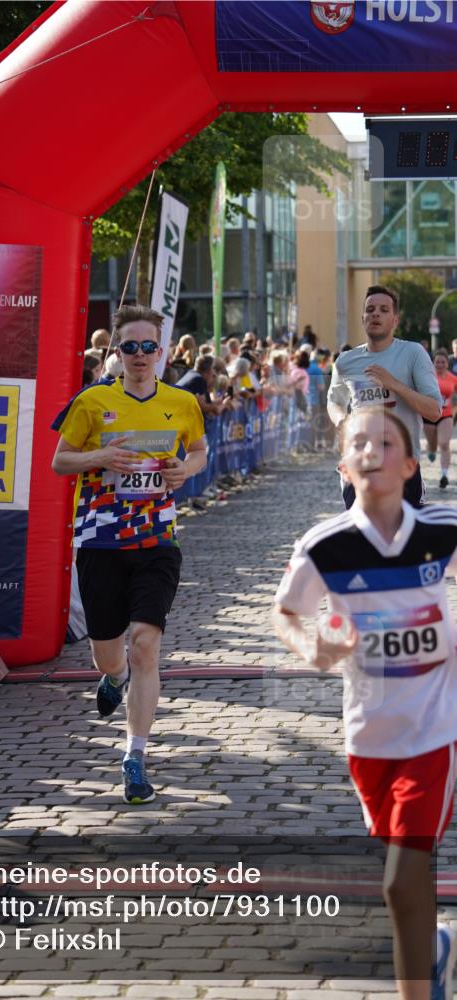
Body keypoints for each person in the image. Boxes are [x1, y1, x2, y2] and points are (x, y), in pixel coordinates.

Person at [273, 407, 457, 1000]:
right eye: (359, 443)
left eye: (385, 442)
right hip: (367, 739)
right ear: (344, 467)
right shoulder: (325, 546)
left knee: (403, 881)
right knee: (403, 877)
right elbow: (287, 613)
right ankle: (438, 949)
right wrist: (315, 648)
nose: (372, 451)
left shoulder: (440, 529)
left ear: (409, 464)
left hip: (435, 734)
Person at [51, 304, 206, 804]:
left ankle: (134, 757)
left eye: (148, 346)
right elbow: (59, 462)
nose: (139, 355)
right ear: (116, 351)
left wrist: (186, 470)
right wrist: (98, 456)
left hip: (157, 539)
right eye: (130, 346)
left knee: (145, 645)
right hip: (100, 539)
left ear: (161, 351)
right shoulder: (93, 401)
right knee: (109, 650)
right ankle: (112, 675)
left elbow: (199, 450)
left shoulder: (181, 402)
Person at [327, 285, 442, 508]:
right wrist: (341, 419)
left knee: (403, 539)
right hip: (359, 463)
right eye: (370, 309)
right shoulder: (345, 361)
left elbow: (434, 410)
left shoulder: (412, 353)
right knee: (361, 538)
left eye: (383, 309)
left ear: (395, 320)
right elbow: (334, 401)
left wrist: (395, 385)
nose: (376, 314)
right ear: (363, 318)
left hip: (402, 466)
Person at [423, 350, 457, 489]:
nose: (440, 364)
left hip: (446, 415)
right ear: (433, 363)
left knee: (444, 444)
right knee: (433, 445)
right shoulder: (426, 377)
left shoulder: (453, 378)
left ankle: (444, 475)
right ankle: (430, 450)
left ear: (447, 364)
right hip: (429, 415)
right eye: (437, 361)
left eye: (443, 362)